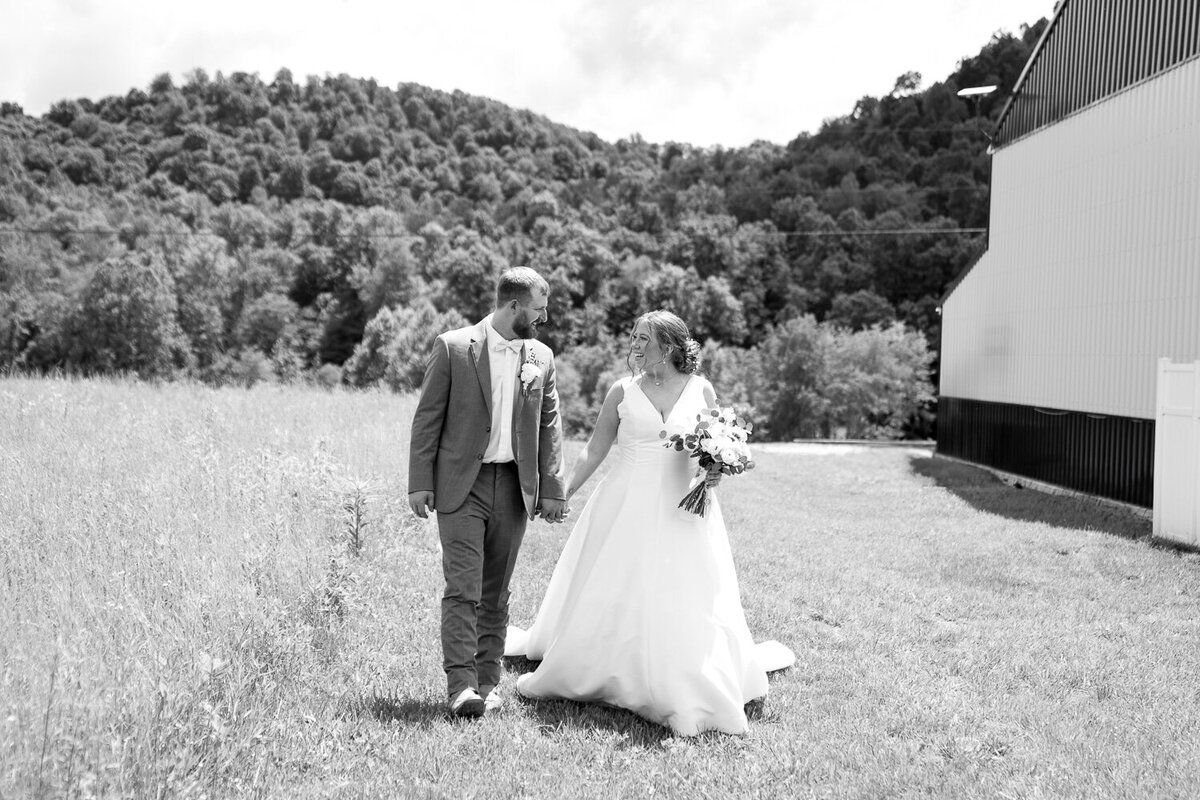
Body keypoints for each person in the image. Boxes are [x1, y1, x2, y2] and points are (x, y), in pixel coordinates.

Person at [508, 310, 794, 736]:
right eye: (635, 336)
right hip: (625, 504)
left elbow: (713, 447)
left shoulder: (702, 389)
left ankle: (681, 671)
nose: (636, 345)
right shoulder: (622, 390)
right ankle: (601, 664)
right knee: (615, 581)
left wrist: (714, 470)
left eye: (645, 338)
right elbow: (594, 450)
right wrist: (562, 491)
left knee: (685, 589)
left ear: (671, 345)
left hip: (686, 509)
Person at [408, 266, 568, 719]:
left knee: (496, 593)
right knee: (463, 587)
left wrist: (552, 488)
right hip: (462, 484)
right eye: (538, 309)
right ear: (512, 306)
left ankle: (487, 682)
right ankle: (460, 687)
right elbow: (427, 419)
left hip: (513, 486)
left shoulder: (541, 356)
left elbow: (549, 424)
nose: (544, 317)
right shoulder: (454, 347)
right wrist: (420, 481)